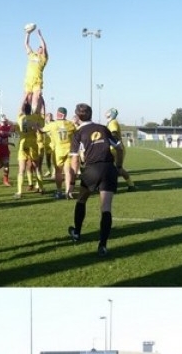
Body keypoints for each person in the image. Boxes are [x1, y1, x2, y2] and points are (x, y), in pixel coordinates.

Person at [67, 103, 121, 257]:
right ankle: (103, 246)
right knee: (106, 208)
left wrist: (71, 183)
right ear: (91, 114)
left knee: (82, 199)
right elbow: (119, 148)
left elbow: (75, 161)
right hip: (109, 169)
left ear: (77, 117)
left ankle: (77, 232)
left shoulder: (78, 134)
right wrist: (119, 166)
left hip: (92, 169)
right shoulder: (103, 128)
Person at [42, 107, 78, 199]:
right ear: (65, 114)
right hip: (69, 150)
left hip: (58, 151)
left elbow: (42, 130)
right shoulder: (70, 124)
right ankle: (68, 192)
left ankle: (59, 191)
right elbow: (76, 134)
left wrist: (35, 126)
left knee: (58, 172)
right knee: (68, 172)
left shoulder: (53, 124)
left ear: (58, 114)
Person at [14, 101, 44, 199]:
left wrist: (24, 98)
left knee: (21, 169)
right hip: (33, 143)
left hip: (23, 144)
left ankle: (19, 192)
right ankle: (41, 188)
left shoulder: (20, 118)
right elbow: (38, 129)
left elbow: (14, 129)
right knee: (37, 167)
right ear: (30, 110)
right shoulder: (34, 118)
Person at [105, 109, 135, 191]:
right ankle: (130, 185)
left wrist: (106, 139)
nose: (105, 114)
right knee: (115, 168)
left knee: (117, 168)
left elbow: (113, 133)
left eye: (108, 113)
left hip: (116, 149)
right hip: (115, 148)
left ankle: (113, 186)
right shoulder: (111, 122)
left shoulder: (112, 122)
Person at [22, 27, 48, 114]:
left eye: (41, 48)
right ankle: (28, 114)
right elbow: (26, 44)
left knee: (36, 96)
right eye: (39, 47)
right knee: (28, 98)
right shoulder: (32, 55)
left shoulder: (43, 58)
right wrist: (28, 33)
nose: (40, 48)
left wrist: (40, 36)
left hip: (37, 80)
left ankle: (34, 113)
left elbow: (44, 47)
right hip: (28, 80)